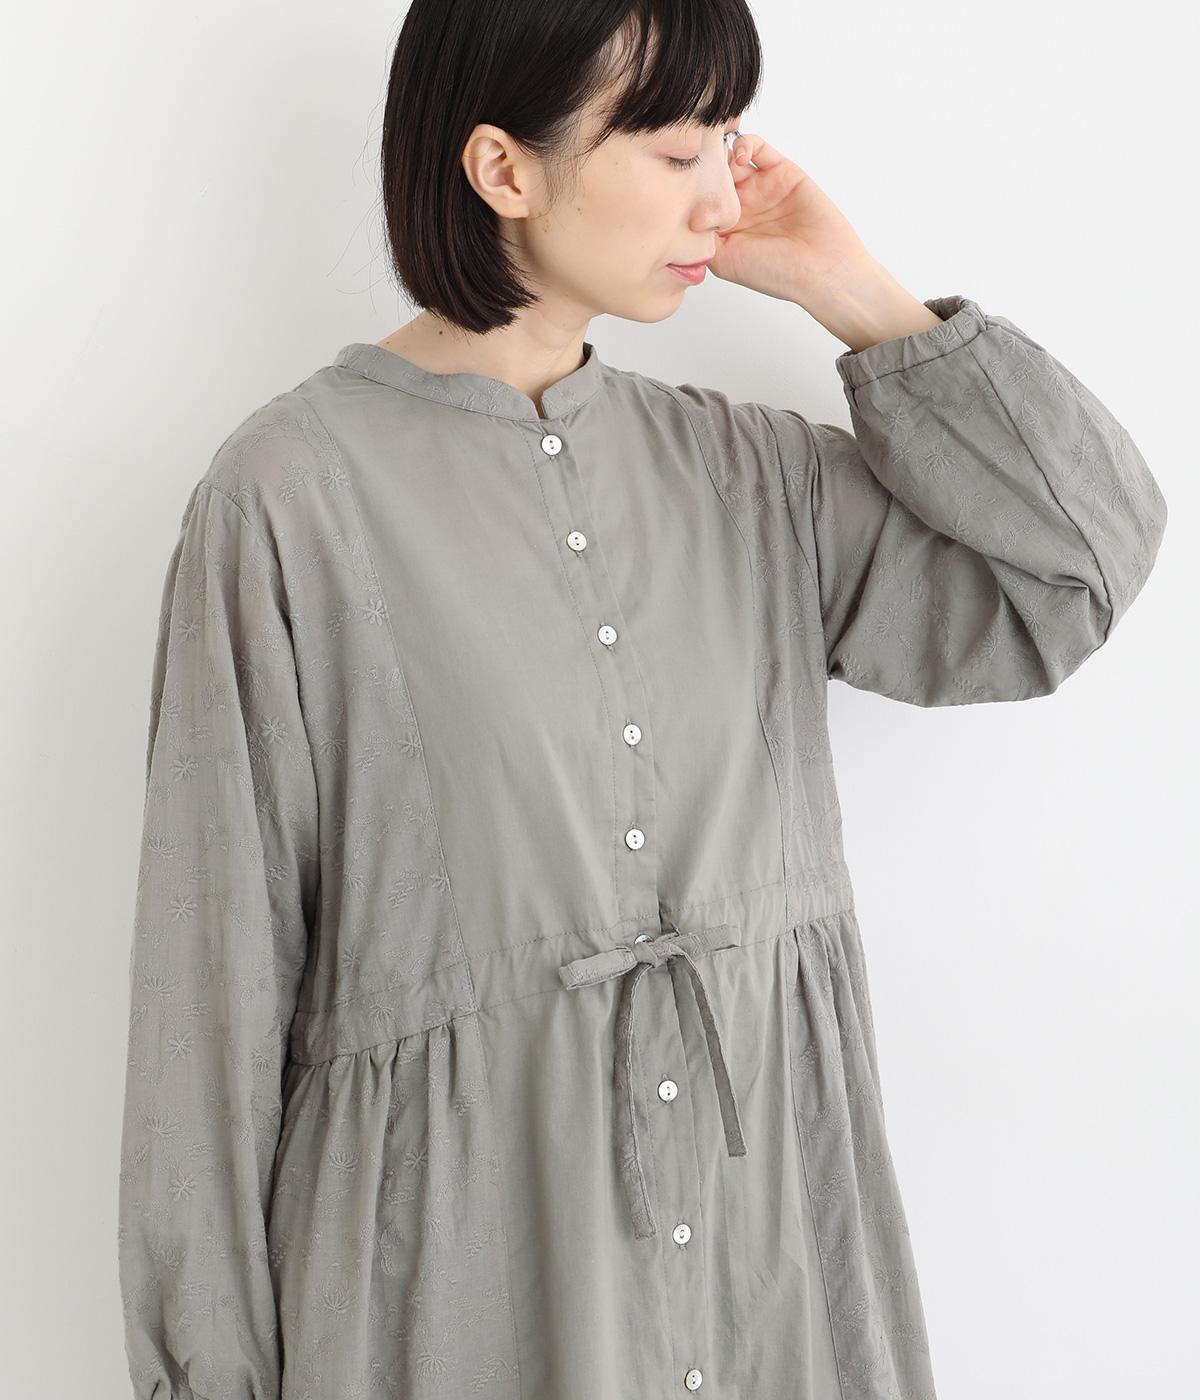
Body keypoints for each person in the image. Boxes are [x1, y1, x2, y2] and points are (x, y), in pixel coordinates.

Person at [116, 2, 1168, 1398]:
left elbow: (1075, 575)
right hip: (457, 1292)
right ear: (504, 168)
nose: (723, 196)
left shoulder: (750, 479)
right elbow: (211, 995)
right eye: (677, 154)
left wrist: (861, 298)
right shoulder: (289, 499)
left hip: (766, 1278)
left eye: (727, 143)